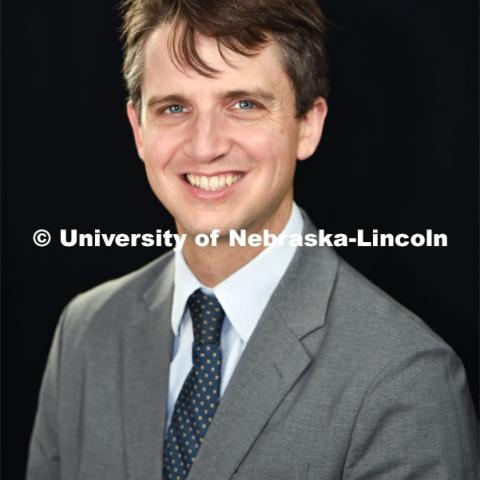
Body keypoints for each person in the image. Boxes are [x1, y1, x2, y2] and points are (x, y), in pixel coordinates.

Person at [27, 0, 478, 479]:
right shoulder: (85, 332)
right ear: (139, 129)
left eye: (243, 104)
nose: (205, 146)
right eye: (175, 107)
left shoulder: (404, 378)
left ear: (308, 125)